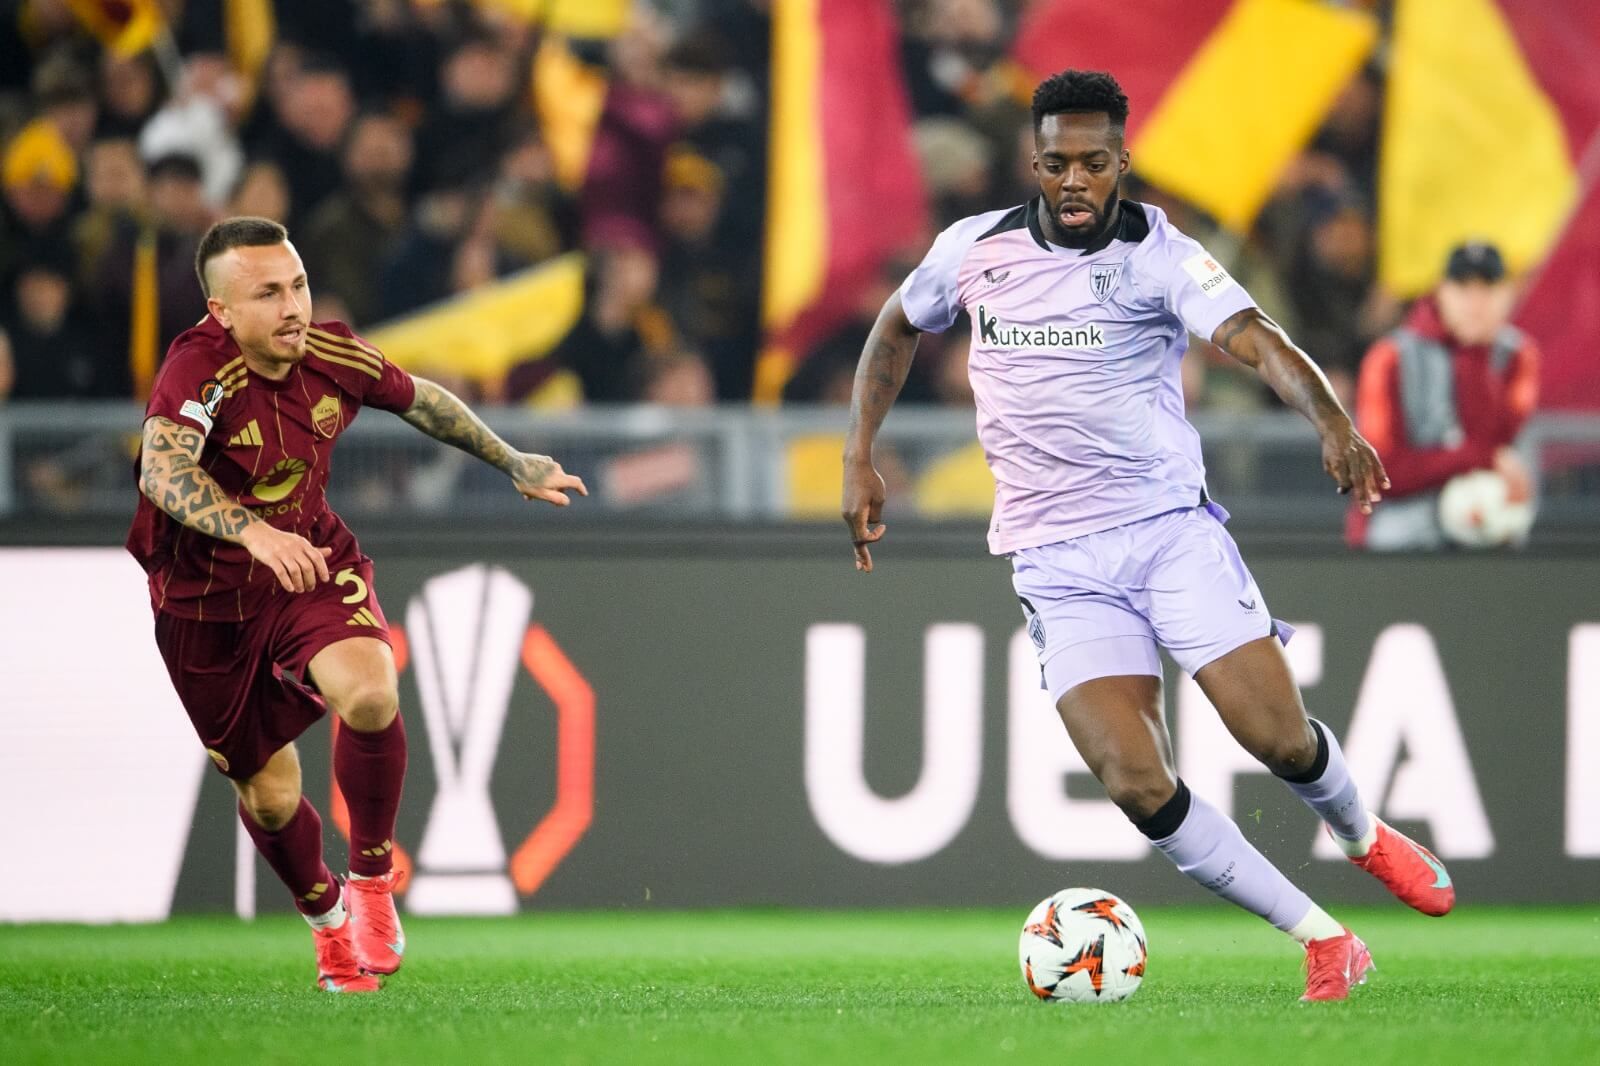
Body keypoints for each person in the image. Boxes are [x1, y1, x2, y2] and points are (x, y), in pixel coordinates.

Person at [841, 70, 1452, 1004]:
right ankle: (1325, 940)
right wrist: (860, 455)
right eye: (1056, 163)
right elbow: (894, 327)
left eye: (1093, 162)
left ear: (1122, 159)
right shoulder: (972, 251)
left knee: (1281, 744)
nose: (1074, 181)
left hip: (1167, 534)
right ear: (1032, 163)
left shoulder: (1162, 255)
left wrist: (1331, 420)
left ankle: (1363, 835)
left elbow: (1256, 339)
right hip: (1054, 557)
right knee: (1133, 778)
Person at [126, 217, 587, 993]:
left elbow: (419, 398)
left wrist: (511, 459)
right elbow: (161, 473)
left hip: (308, 560)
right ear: (222, 310)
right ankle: (328, 919)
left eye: (298, 284)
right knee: (270, 800)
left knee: (371, 692)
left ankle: (372, 882)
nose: (292, 307)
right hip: (205, 606)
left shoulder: (329, 352)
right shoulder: (198, 371)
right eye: (267, 293)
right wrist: (251, 533)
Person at [1349, 241, 1539, 550]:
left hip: (1484, 520)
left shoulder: (1517, 356)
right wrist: (1479, 458)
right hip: (1401, 525)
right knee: (1395, 531)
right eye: (1463, 287)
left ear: (1508, 294)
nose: (1475, 302)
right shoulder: (1390, 357)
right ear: (1441, 291)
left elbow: (1502, 442)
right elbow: (1379, 474)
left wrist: (1474, 356)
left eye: (1487, 287)